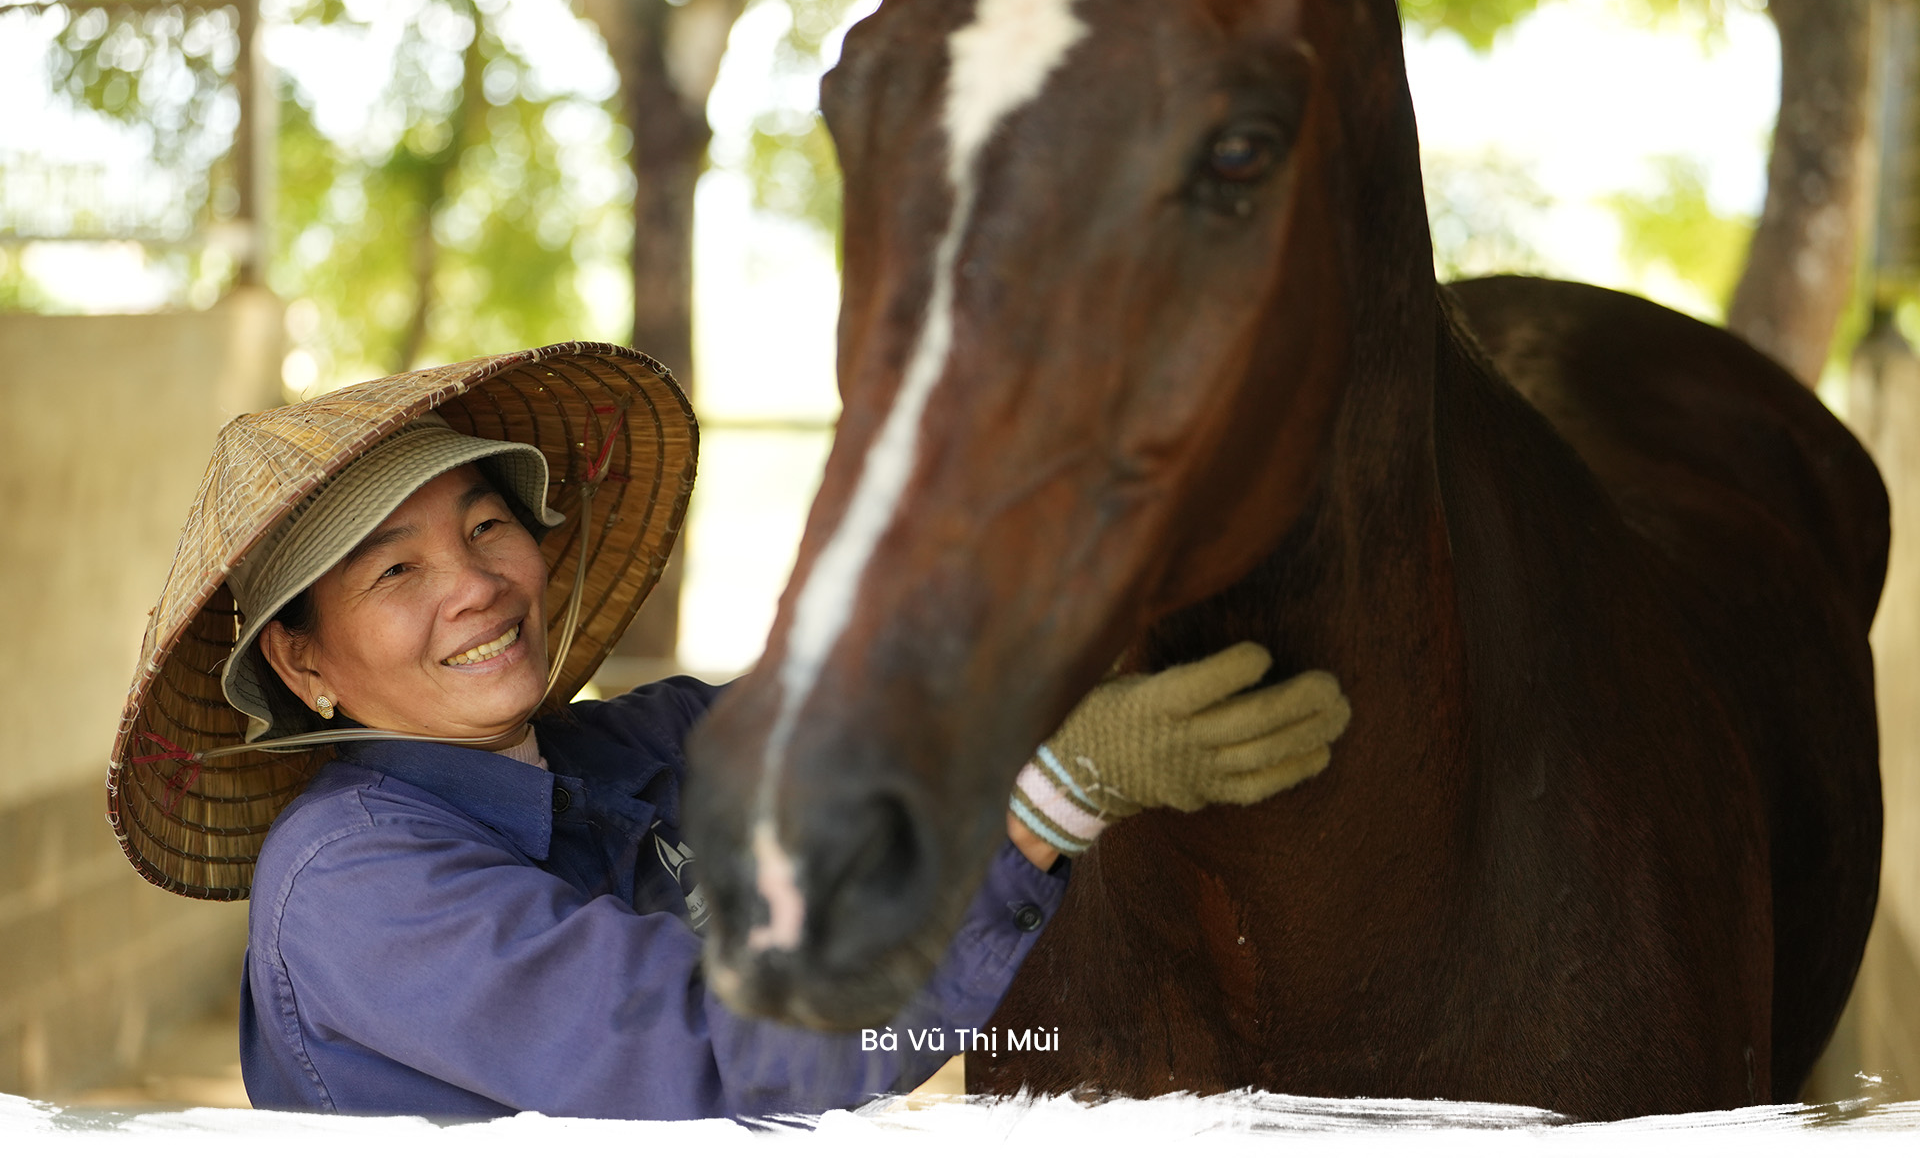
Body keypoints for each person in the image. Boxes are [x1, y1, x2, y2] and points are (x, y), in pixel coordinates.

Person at [108, 343, 1350, 1121]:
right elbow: (727, 1048)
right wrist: (1048, 804)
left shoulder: (619, 752)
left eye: (488, 527)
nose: (477, 586)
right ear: (304, 663)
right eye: (394, 574)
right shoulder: (356, 885)